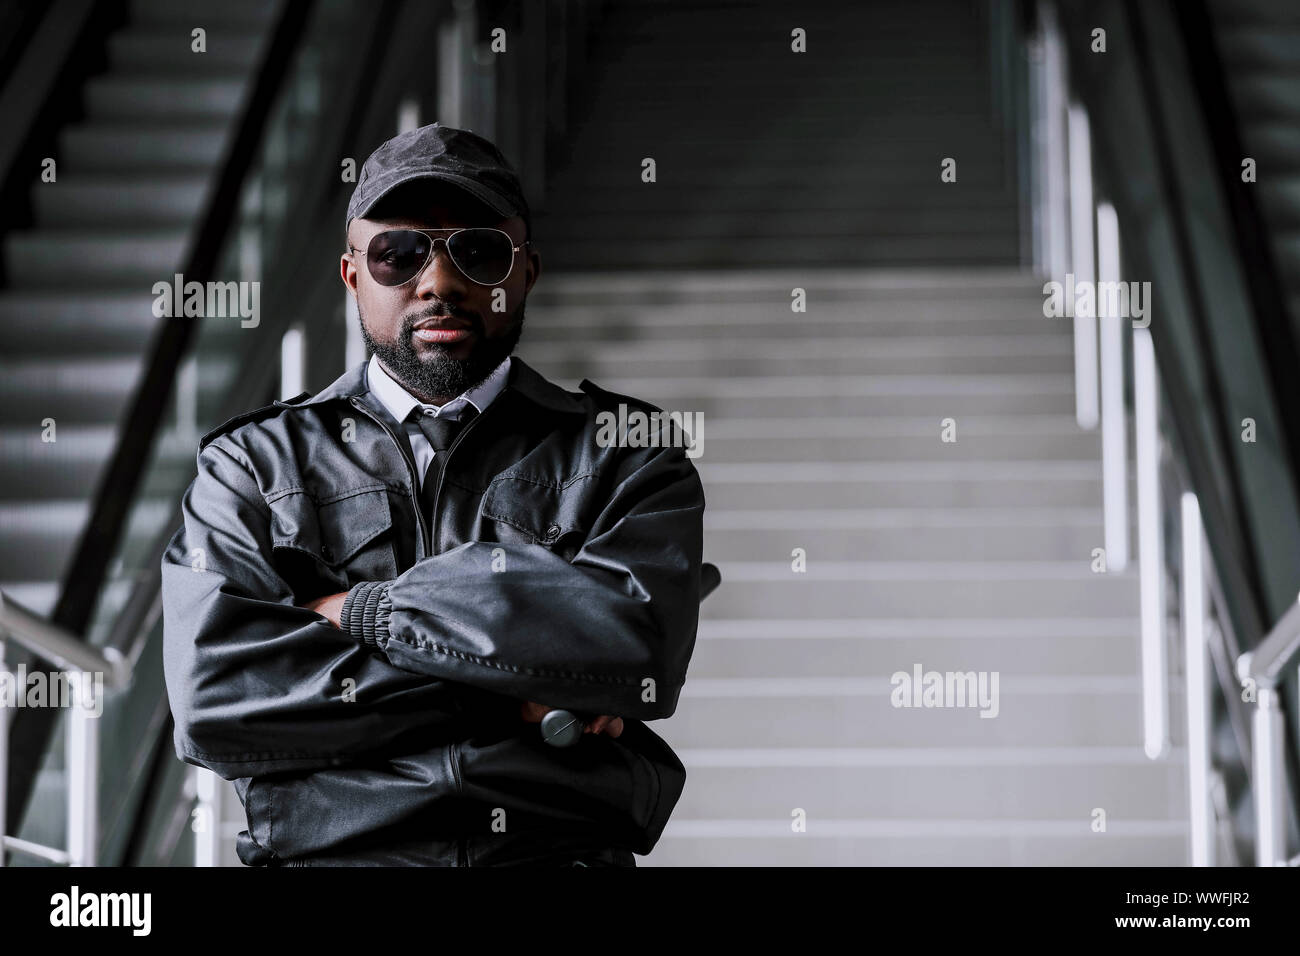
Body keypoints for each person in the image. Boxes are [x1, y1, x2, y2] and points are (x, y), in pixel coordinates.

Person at [160, 123, 706, 866]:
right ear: (353, 274)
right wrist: (526, 675)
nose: (440, 283)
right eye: (399, 253)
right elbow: (217, 703)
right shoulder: (252, 463)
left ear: (527, 273)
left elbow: (634, 655)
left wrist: (363, 613)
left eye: (478, 252)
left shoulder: (628, 451)